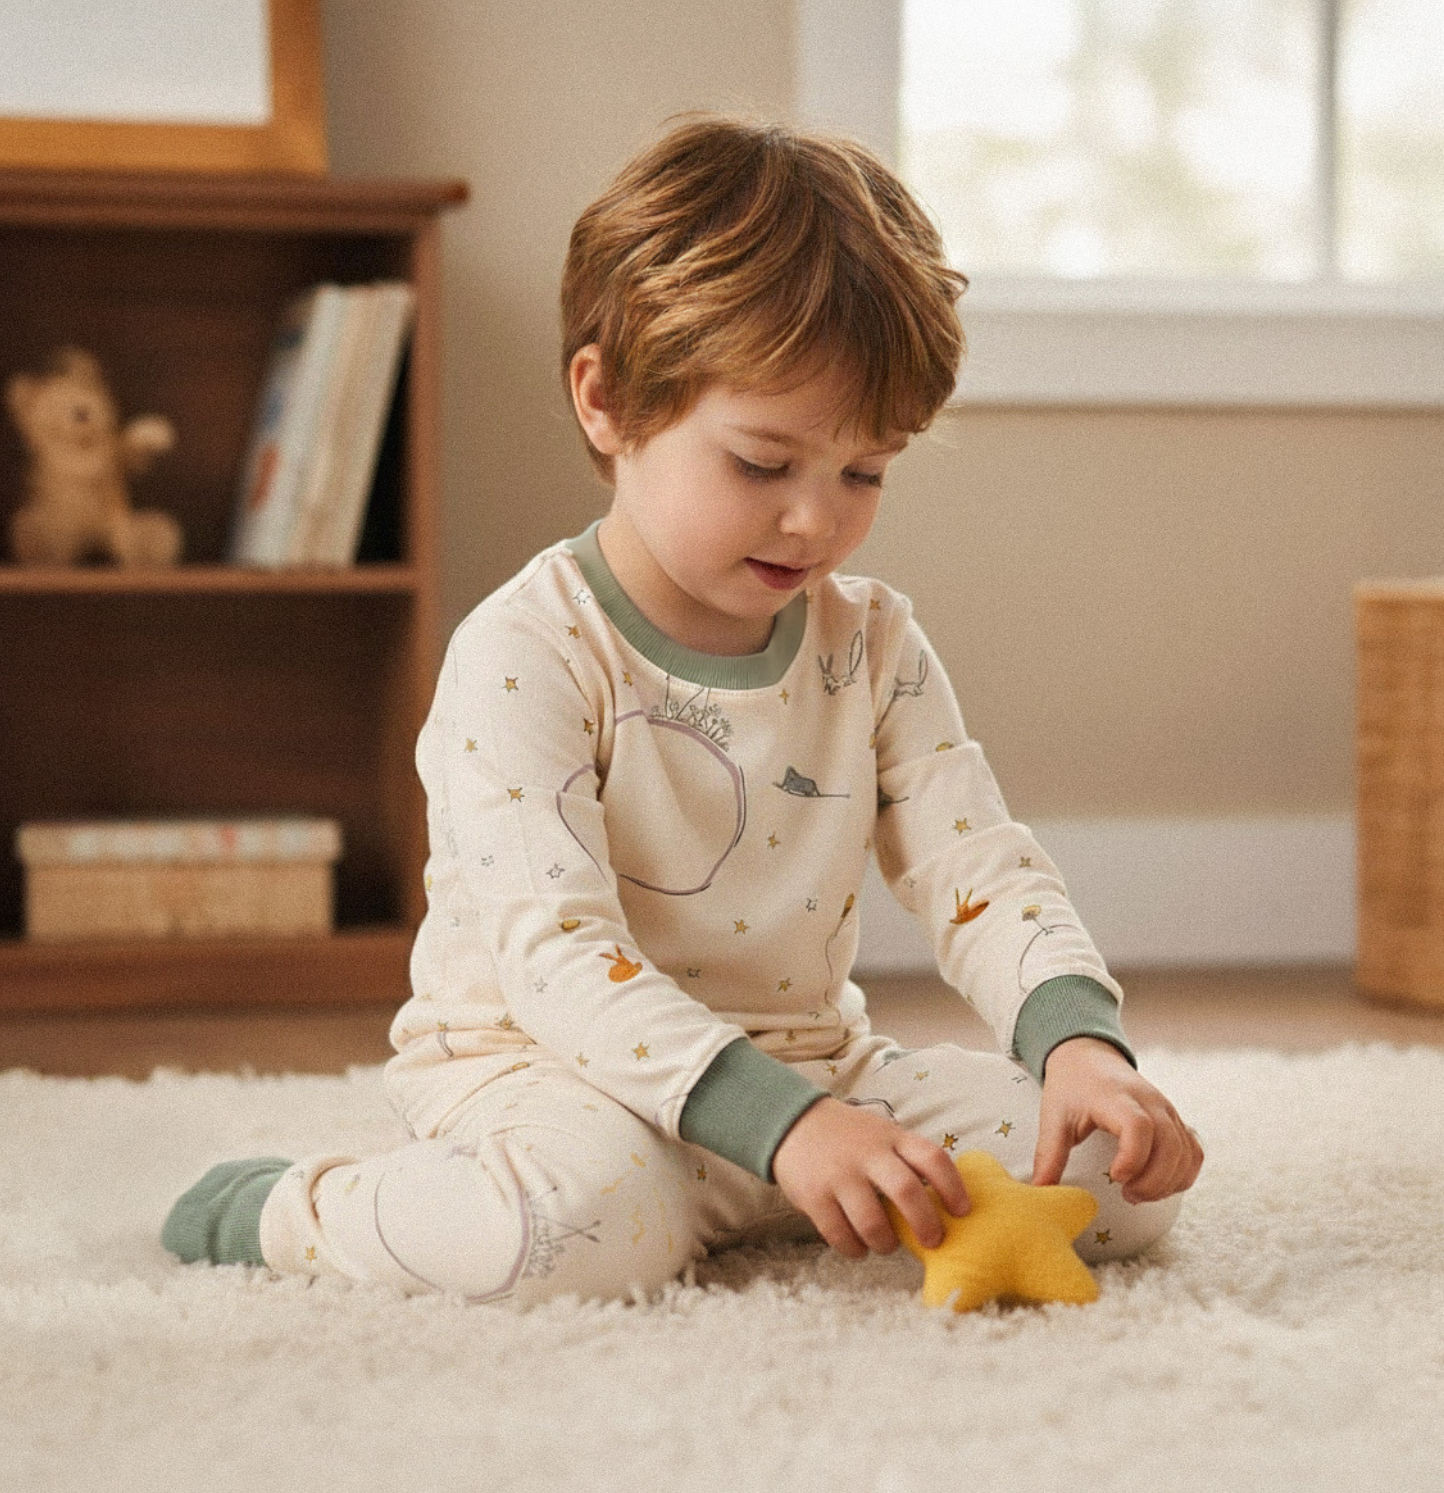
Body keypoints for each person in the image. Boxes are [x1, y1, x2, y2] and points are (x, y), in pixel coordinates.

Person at [163, 115, 1202, 1304]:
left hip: (814, 1073)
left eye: (864, 471)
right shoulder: (525, 652)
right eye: (763, 464)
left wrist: (1079, 1049)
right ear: (606, 402)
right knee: (573, 1235)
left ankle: (751, 1190)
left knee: (1115, 1181)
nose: (816, 520)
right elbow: (558, 956)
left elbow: (981, 868)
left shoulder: (874, 646)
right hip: (560, 1080)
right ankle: (285, 1210)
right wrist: (785, 1128)